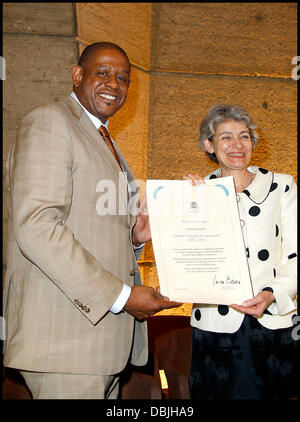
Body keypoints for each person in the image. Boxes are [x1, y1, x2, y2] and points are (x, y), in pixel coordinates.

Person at [3, 41, 181, 399]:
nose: (113, 84)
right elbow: (37, 226)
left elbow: (85, 227)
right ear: (77, 75)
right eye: (102, 73)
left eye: (123, 78)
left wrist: (134, 237)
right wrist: (123, 296)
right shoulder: (50, 121)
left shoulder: (102, 138)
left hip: (99, 345)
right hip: (66, 342)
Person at [184, 104, 297, 399]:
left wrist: (272, 293)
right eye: (225, 137)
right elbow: (187, 256)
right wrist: (182, 203)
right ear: (209, 144)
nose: (237, 145)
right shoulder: (197, 192)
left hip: (270, 323)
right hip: (213, 326)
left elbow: (295, 256)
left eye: (244, 136)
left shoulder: (282, 186)